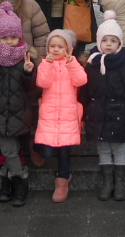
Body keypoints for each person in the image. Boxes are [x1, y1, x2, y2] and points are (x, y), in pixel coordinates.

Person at [0, 2, 37, 207]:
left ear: (19, 37)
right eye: (5, 37)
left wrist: (29, 72)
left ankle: (8, 182)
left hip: (19, 112)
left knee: (11, 149)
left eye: (13, 37)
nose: (9, 42)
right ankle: (20, 181)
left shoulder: (24, 58)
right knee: (9, 150)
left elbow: (30, 88)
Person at [83, 12, 125, 202]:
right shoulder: (91, 65)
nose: (108, 44)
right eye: (105, 40)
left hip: (118, 114)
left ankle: (120, 182)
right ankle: (107, 182)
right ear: (99, 42)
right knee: (103, 147)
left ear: (119, 44)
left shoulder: (124, 66)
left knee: (118, 147)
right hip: (97, 113)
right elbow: (84, 92)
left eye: (113, 41)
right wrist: (84, 116)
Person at [35, 29, 88, 203]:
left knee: (64, 151)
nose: (56, 49)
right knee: (48, 151)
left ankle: (63, 180)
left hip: (67, 114)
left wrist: (72, 63)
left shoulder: (72, 64)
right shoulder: (44, 64)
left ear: (69, 49)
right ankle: (35, 148)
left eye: (60, 46)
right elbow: (42, 82)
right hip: (49, 115)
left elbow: (81, 80)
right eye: (52, 46)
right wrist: (48, 64)